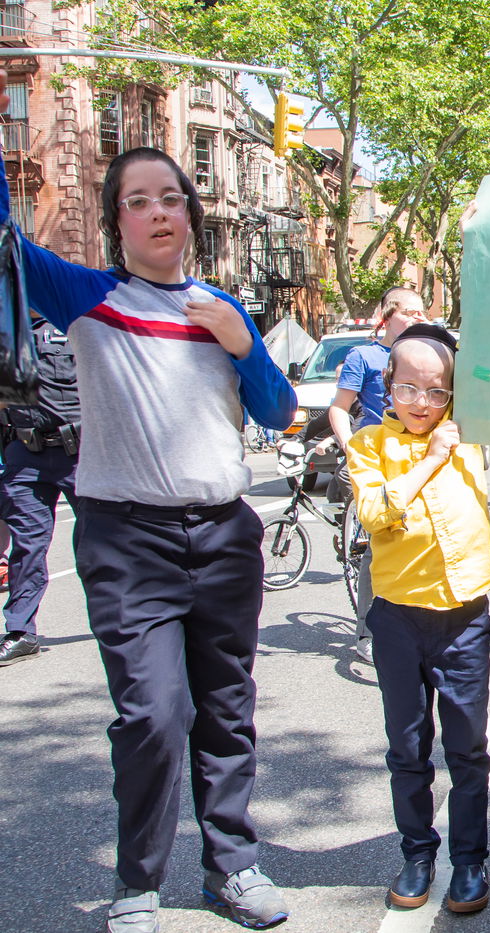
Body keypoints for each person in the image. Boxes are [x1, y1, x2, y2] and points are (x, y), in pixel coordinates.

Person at [0, 114, 295, 933]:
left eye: (174, 197)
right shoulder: (88, 297)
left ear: (192, 215)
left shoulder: (223, 307)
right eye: (139, 201)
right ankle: (139, 882)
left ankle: (233, 867)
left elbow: (276, 409)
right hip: (128, 539)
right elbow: (4, 236)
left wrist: (244, 343)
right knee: (154, 714)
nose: (161, 211)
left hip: (226, 536)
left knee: (227, 708)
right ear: (116, 221)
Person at [346, 323, 490, 915]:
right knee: (407, 747)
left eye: (437, 393)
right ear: (388, 384)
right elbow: (376, 512)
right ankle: (416, 853)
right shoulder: (368, 446)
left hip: (464, 618)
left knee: (467, 749)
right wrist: (431, 460)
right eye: (408, 389)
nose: (422, 405)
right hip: (398, 619)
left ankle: (469, 861)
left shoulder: (476, 435)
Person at [327, 286, 428, 663]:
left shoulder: (426, 355)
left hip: (420, 460)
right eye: (412, 313)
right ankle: (368, 631)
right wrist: (351, 447)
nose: (420, 319)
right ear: (389, 315)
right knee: (378, 547)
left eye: (422, 313)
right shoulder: (365, 356)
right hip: (378, 462)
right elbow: (340, 408)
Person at [0, 316, 80, 666]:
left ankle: (127, 621)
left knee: (104, 544)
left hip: (82, 453)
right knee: (27, 547)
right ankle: (20, 631)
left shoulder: (75, 323)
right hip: (24, 455)